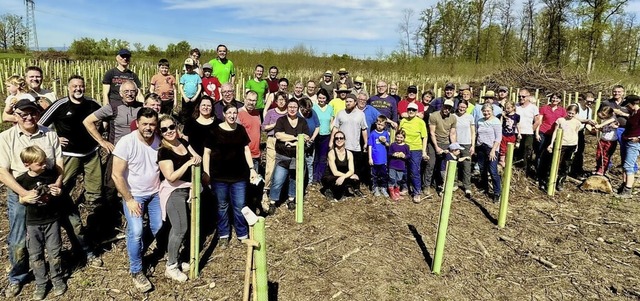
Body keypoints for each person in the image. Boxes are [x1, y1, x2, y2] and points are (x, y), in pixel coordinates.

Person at [38, 75, 103, 267]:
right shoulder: (59, 105)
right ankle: (57, 214)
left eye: (81, 86)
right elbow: (41, 123)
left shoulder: (92, 103)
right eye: (74, 86)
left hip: (91, 153)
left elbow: (104, 118)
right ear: (68, 88)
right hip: (69, 154)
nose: (78, 89)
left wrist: (103, 133)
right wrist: (55, 137)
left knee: (95, 190)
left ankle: (95, 223)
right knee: (62, 188)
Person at [0, 98, 63, 298]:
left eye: (33, 113)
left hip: (49, 191)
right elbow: (2, 171)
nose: (29, 117)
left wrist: (58, 184)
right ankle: (17, 277)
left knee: (65, 228)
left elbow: (59, 165)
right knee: (18, 238)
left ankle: (78, 258)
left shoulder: (49, 134)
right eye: (23, 114)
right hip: (21, 191)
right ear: (15, 115)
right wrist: (24, 194)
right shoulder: (6, 137)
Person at [111, 108, 161, 293]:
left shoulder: (159, 140)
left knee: (157, 227)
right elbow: (116, 175)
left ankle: (137, 249)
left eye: (152, 124)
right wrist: (129, 199)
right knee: (137, 230)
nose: (148, 128)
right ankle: (136, 270)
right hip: (134, 195)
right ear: (137, 123)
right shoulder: (126, 142)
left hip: (155, 193)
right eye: (145, 124)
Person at [203, 104, 258, 245]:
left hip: (239, 176)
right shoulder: (214, 131)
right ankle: (223, 234)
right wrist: (206, 173)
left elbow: (246, 150)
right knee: (222, 205)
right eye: (229, 113)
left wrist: (252, 168)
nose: (232, 115)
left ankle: (242, 233)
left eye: (235, 113)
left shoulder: (240, 130)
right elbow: (206, 153)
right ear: (224, 114)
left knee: (240, 205)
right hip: (219, 176)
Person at [16, 146, 66, 300]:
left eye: (44, 162)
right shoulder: (22, 180)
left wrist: (59, 191)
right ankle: (41, 282)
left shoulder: (50, 175)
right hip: (33, 223)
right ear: (27, 164)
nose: (44, 165)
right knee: (35, 254)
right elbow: (20, 200)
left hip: (52, 220)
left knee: (54, 252)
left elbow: (59, 189)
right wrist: (25, 198)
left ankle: (57, 279)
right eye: (40, 164)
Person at [83, 80, 142, 205]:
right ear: (121, 93)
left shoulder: (142, 108)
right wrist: (102, 141)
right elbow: (88, 121)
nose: (130, 94)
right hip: (117, 154)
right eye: (126, 91)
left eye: (132, 91)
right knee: (111, 185)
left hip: (137, 153)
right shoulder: (112, 107)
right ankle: (109, 215)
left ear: (137, 92)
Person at [157, 115, 201, 282]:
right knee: (179, 228)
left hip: (189, 189)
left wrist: (196, 160)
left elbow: (196, 157)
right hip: (174, 192)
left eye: (171, 127)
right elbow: (170, 176)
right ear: (160, 133)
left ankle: (177, 259)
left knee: (184, 227)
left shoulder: (183, 143)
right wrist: (188, 164)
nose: (169, 131)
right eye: (164, 129)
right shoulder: (164, 151)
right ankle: (171, 265)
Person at [266, 99, 310, 213]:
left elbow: (306, 137)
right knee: (278, 180)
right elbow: (279, 135)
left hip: (297, 156)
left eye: (294, 107)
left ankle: (291, 199)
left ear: (298, 108)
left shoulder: (302, 121)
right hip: (283, 156)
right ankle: (273, 201)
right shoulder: (281, 120)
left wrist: (292, 142)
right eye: (290, 106)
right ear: (287, 107)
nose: (292, 109)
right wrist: (296, 138)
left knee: (294, 179)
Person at [330, 94, 368, 193]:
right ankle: (345, 187)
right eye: (346, 101)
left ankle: (356, 187)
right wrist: (331, 141)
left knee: (356, 169)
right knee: (344, 169)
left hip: (355, 146)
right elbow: (335, 128)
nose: (348, 103)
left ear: (355, 102)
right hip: (342, 147)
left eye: (350, 101)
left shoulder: (360, 114)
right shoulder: (340, 113)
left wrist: (365, 142)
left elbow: (364, 129)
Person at [546, 104, 582, 191]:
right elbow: (555, 132)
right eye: (569, 113)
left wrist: (576, 145)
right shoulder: (560, 120)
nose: (570, 115)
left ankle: (560, 181)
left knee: (566, 164)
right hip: (561, 144)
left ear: (576, 114)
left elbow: (576, 133)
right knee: (556, 163)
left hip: (572, 144)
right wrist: (551, 143)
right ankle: (550, 181)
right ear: (566, 111)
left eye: (573, 114)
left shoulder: (577, 122)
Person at [399, 102, 429, 203]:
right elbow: (400, 134)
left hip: (416, 149)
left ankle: (417, 192)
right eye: (409, 110)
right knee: (404, 169)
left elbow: (424, 137)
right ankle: (404, 187)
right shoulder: (403, 121)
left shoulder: (420, 122)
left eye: (413, 110)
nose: (411, 111)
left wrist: (423, 151)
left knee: (414, 171)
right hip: (404, 148)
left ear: (416, 112)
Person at [535, 93, 566, 188]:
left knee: (550, 155)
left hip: (554, 135)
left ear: (560, 100)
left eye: (557, 98)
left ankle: (547, 174)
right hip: (543, 132)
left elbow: (564, 122)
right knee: (540, 153)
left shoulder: (562, 111)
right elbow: (539, 121)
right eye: (553, 98)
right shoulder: (544, 108)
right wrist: (537, 133)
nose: (554, 100)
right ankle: (538, 175)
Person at [426, 99, 457, 195]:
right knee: (431, 164)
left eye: (449, 108)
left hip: (446, 142)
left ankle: (444, 185)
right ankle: (426, 186)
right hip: (434, 142)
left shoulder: (453, 118)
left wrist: (454, 147)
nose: (446, 109)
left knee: (445, 166)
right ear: (442, 106)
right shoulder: (434, 116)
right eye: (445, 106)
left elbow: (452, 134)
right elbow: (432, 133)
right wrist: (436, 147)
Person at [321, 131, 361, 201]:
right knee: (338, 181)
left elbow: (351, 170)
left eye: (341, 138)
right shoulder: (331, 153)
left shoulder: (349, 153)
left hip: (342, 176)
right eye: (336, 138)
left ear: (344, 140)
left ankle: (354, 190)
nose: (339, 140)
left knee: (355, 179)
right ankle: (328, 190)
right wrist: (348, 176)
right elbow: (335, 172)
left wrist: (345, 176)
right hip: (331, 177)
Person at [476, 103, 502, 202]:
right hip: (481, 147)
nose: (486, 113)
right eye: (485, 111)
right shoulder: (480, 121)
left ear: (492, 111)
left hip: (491, 148)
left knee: (493, 170)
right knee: (482, 169)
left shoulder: (496, 121)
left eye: (488, 111)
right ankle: (484, 187)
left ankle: (497, 192)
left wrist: (493, 151)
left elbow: (498, 137)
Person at [618, 95, 640, 198]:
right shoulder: (633, 113)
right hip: (627, 139)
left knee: (629, 166)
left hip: (634, 142)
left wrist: (639, 138)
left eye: (627, 105)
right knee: (625, 164)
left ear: (632, 104)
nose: (626, 108)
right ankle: (624, 186)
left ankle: (628, 190)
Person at [570, 93, 595, 179]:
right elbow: (575, 117)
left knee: (579, 152)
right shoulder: (575, 106)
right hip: (570, 132)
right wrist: (586, 120)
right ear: (582, 99)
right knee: (569, 151)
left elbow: (587, 124)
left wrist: (593, 129)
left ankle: (577, 171)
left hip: (580, 132)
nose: (589, 104)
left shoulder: (589, 110)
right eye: (588, 101)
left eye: (592, 102)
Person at [312, 88, 334, 183]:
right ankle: (314, 177)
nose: (321, 100)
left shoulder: (330, 108)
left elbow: (332, 122)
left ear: (326, 98)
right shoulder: (314, 108)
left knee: (323, 157)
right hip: (316, 135)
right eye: (319, 98)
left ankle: (321, 176)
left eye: (323, 98)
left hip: (326, 135)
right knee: (315, 156)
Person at [515, 90, 539, 176]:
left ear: (528, 97)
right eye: (519, 96)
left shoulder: (533, 107)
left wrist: (531, 130)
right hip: (516, 132)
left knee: (527, 151)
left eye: (523, 96)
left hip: (528, 132)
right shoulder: (516, 106)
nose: (521, 98)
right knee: (516, 150)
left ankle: (525, 170)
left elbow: (537, 121)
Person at [454, 99, 475, 196]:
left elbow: (473, 132)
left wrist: (472, 145)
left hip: (466, 143)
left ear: (467, 108)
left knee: (466, 165)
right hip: (456, 143)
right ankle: (454, 183)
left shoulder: (470, 117)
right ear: (457, 106)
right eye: (460, 106)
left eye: (464, 107)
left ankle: (467, 186)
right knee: (455, 164)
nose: (462, 109)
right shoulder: (453, 116)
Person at [238, 91, 262, 171]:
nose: (251, 103)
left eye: (254, 100)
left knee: (254, 182)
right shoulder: (239, 113)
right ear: (244, 99)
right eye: (249, 100)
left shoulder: (257, 113)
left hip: (256, 155)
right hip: (243, 155)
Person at [368, 115, 391, 197]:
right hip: (375, 159)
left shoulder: (385, 133)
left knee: (384, 174)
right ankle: (375, 188)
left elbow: (388, 145)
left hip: (383, 159)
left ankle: (383, 187)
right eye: (378, 124)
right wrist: (370, 158)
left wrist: (385, 142)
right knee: (374, 175)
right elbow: (370, 146)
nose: (379, 126)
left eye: (381, 125)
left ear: (385, 125)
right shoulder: (373, 134)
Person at [299, 97, 320, 186]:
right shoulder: (296, 115)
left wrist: (312, 138)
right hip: (299, 142)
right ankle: (300, 180)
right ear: (301, 108)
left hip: (311, 141)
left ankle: (310, 181)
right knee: (300, 162)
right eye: (306, 111)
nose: (308, 112)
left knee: (309, 161)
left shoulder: (313, 113)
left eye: (309, 110)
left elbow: (317, 126)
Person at [593, 106, 618, 176]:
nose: (603, 116)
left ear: (610, 114)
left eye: (604, 115)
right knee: (598, 155)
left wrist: (600, 125)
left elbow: (610, 121)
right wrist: (599, 128)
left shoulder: (613, 118)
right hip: (603, 139)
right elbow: (605, 129)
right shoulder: (604, 119)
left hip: (610, 141)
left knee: (605, 156)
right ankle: (598, 168)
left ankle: (602, 169)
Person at [388, 130, 410, 201]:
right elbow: (389, 154)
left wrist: (404, 156)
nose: (399, 139)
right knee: (392, 179)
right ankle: (392, 192)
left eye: (401, 137)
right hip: (392, 165)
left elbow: (408, 155)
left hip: (401, 166)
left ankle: (397, 192)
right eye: (397, 137)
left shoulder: (406, 146)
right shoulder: (393, 145)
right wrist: (393, 154)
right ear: (395, 136)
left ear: (404, 138)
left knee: (399, 179)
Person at [179, 58, 202, 124]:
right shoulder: (184, 76)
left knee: (195, 111)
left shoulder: (197, 76)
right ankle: (185, 124)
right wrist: (184, 97)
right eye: (187, 66)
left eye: (190, 66)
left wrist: (195, 97)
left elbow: (199, 87)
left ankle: (194, 123)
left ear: (193, 67)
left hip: (195, 98)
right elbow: (181, 87)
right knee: (185, 112)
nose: (188, 68)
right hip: (186, 98)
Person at [500, 101, 521, 167]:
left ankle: (508, 161)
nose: (506, 110)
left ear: (513, 108)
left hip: (512, 135)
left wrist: (519, 133)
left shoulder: (517, 116)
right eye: (505, 108)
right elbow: (500, 123)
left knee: (510, 148)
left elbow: (518, 125)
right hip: (503, 134)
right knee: (502, 148)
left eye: (508, 108)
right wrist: (502, 116)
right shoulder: (503, 115)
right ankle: (501, 161)